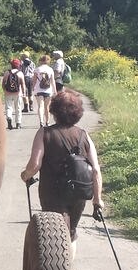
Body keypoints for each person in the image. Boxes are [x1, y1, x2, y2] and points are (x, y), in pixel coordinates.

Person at [19, 88, 103, 259]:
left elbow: (35, 165)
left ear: (54, 110)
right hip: (79, 192)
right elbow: (95, 170)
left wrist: (25, 175)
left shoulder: (45, 133)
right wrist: (97, 200)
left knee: (56, 236)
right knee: (70, 232)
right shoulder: (84, 135)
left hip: (52, 193)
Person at [32, 54, 56, 126]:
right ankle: (47, 122)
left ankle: (41, 121)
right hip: (48, 90)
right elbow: (52, 81)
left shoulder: (37, 69)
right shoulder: (50, 69)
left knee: (40, 106)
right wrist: (54, 90)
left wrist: (33, 88)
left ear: (40, 61)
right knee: (47, 107)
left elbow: (34, 80)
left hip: (38, 90)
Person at [2, 57, 25, 130]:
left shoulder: (7, 72)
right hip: (18, 93)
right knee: (18, 108)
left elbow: (3, 83)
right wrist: (24, 92)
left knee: (8, 107)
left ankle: (9, 118)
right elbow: (23, 84)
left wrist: (4, 90)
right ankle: (18, 123)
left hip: (8, 93)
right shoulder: (20, 73)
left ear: (11, 65)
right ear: (18, 65)